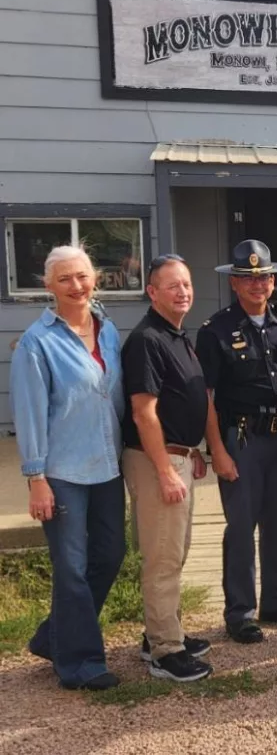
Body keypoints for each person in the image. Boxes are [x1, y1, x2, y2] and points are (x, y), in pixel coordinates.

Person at [10, 246, 126, 691]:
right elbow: (29, 413)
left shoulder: (108, 331)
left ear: (95, 277)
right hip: (62, 472)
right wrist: (36, 479)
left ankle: (53, 635)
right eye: (65, 279)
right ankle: (80, 663)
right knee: (72, 566)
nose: (76, 286)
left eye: (82, 276)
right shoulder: (38, 343)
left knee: (111, 553)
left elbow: (114, 399)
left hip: (107, 465)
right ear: (48, 286)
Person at [196, 240, 277, 645]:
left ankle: (275, 601)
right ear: (235, 283)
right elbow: (206, 399)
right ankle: (240, 611)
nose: (258, 285)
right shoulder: (216, 331)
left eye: (264, 277)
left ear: (272, 281)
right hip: (241, 439)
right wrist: (216, 450)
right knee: (241, 527)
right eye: (248, 278)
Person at [122, 253, 221, 682]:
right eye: (172, 285)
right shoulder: (147, 340)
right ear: (152, 292)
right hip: (154, 460)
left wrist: (192, 450)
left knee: (175, 552)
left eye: (187, 284)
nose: (183, 292)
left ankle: (160, 633)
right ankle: (166, 653)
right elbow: (144, 412)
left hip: (178, 454)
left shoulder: (178, 336)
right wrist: (164, 469)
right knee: (162, 558)